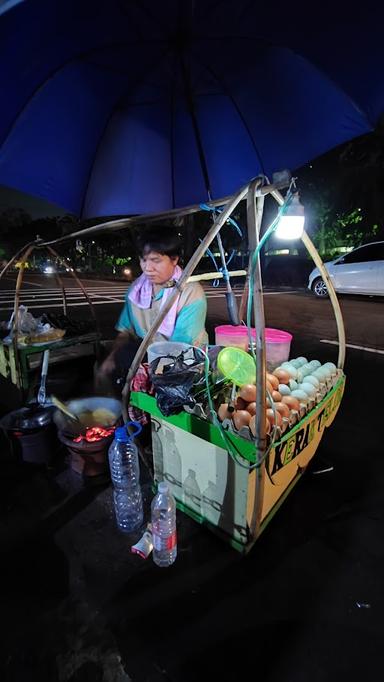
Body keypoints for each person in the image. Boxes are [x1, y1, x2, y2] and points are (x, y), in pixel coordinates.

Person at [96, 228, 208, 393]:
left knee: (161, 389)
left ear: (174, 259)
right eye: (143, 260)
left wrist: (151, 377)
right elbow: (125, 331)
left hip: (185, 359)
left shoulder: (191, 292)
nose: (147, 268)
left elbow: (179, 346)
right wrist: (111, 358)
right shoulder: (136, 291)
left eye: (155, 260)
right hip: (151, 355)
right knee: (117, 360)